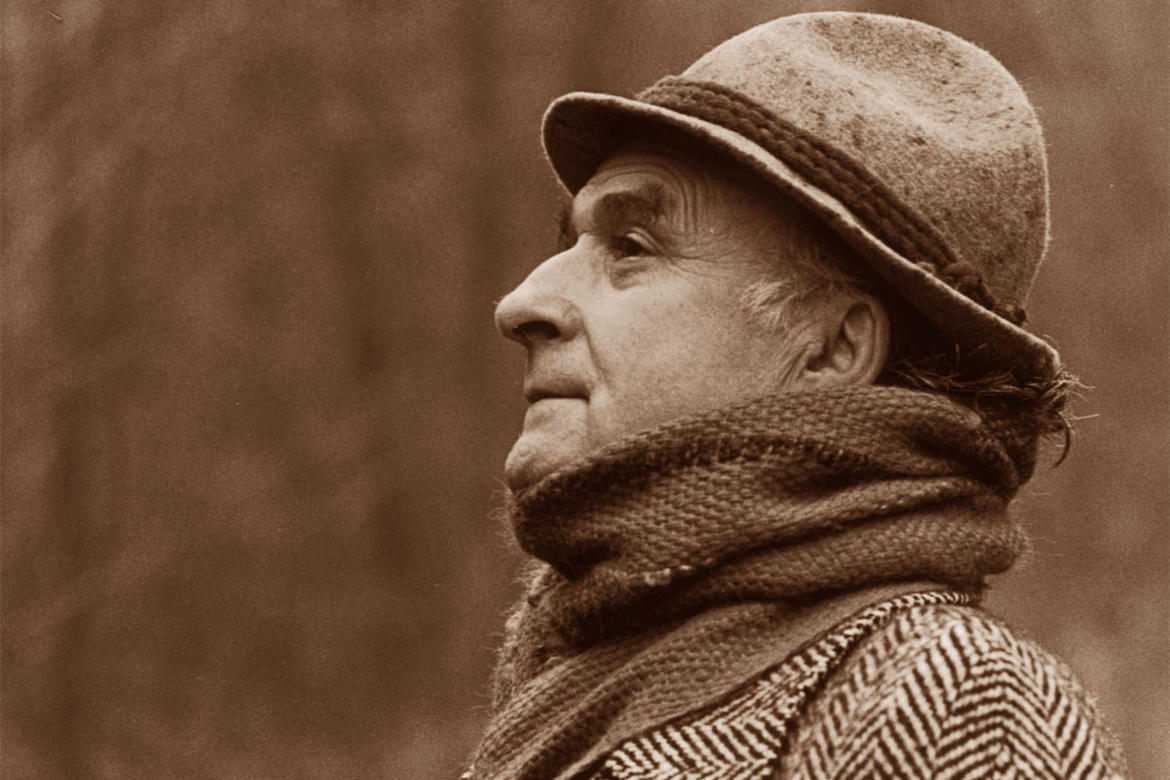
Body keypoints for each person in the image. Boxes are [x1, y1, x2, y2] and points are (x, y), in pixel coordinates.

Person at [465, 12, 1127, 780]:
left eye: (631, 247)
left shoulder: (957, 703)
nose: (522, 304)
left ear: (834, 348)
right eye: (570, 243)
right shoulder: (581, 677)